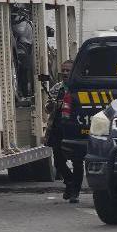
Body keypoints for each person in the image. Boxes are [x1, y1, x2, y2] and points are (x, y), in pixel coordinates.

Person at [44, 60, 83, 203]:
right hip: (58, 129)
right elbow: (47, 109)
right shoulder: (57, 88)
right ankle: (70, 181)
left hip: (75, 129)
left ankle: (75, 192)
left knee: (77, 161)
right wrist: (53, 105)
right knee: (59, 161)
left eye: (68, 70)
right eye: (63, 71)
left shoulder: (80, 89)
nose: (65, 73)